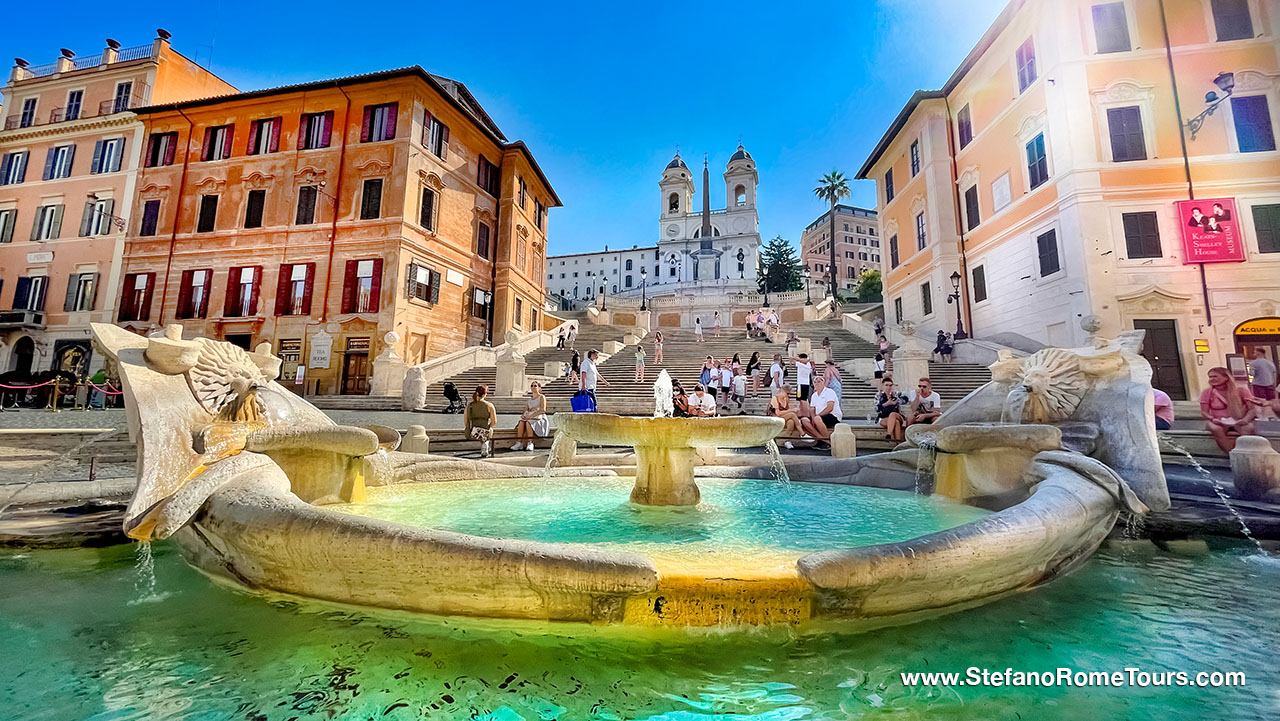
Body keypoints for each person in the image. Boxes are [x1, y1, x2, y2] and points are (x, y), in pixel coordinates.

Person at [1200, 367, 1257, 453]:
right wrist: (1212, 418)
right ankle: (1231, 453)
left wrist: (1245, 420)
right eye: (1210, 377)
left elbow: (1252, 410)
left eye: (1215, 376)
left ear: (1226, 377)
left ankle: (1249, 452)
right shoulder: (1207, 393)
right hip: (1219, 421)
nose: (1212, 379)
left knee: (1248, 428)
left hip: (1239, 420)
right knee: (1215, 428)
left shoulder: (1241, 390)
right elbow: (1204, 412)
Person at [799, 376, 843, 446]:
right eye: (815, 382)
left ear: (824, 383)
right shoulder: (814, 395)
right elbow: (812, 409)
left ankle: (825, 440)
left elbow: (830, 408)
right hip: (819, 417)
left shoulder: (829, 392)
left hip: (832, 415)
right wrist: (813, 418)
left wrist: (817, 416)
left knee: (817, 419)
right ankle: (825, 440)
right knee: (804, 420)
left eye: (819, 381)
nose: (817, 383)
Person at [512, 381, 548, 451]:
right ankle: (519, 443)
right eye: (532, 386)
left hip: (539, 417)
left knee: (528, 423)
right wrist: (524, 415)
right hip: (530, 416)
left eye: (535, 386)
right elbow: (527, 409)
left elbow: (543, 410)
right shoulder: (529, 399)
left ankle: (530, 443)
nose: (533, 387)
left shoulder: (542, 397)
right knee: (521, 422)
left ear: (539, 388)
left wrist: (531, 416)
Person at [465, 385, 497, 458]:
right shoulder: (489, 405)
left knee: (479, 431)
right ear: (485, 394)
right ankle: (485, 443)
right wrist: (487, 427)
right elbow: (494, 421)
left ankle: (484, 443)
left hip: (470, 433)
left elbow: (465, 422)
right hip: (483, 432)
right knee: (490, 430)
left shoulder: (469, 406)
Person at [876, 376, 909, 443]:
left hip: (898, 416)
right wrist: (886, 404)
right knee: (895, 422)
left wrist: (899, 390)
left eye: (890, 385)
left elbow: (906, 400)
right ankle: (898, 443)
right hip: (884, 418)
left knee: (892, 414)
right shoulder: (878, 396)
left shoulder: (896, 394)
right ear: (882, 386)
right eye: (886, 385)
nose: (888, 387)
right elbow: (877, 409)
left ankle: (889, 434)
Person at [768, 384, 803, 448]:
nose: (788, 395)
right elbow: (778, 413)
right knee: (792, 414)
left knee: (791, 422)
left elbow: (786, 411)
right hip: (774, 417)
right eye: (787, 393)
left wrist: (791, 411)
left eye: (789, 394)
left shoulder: (786, 399)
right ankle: (802, 432)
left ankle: (786, 440)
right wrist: (791, 410)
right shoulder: (775, 398)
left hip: (783, 417)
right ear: (782, 391)